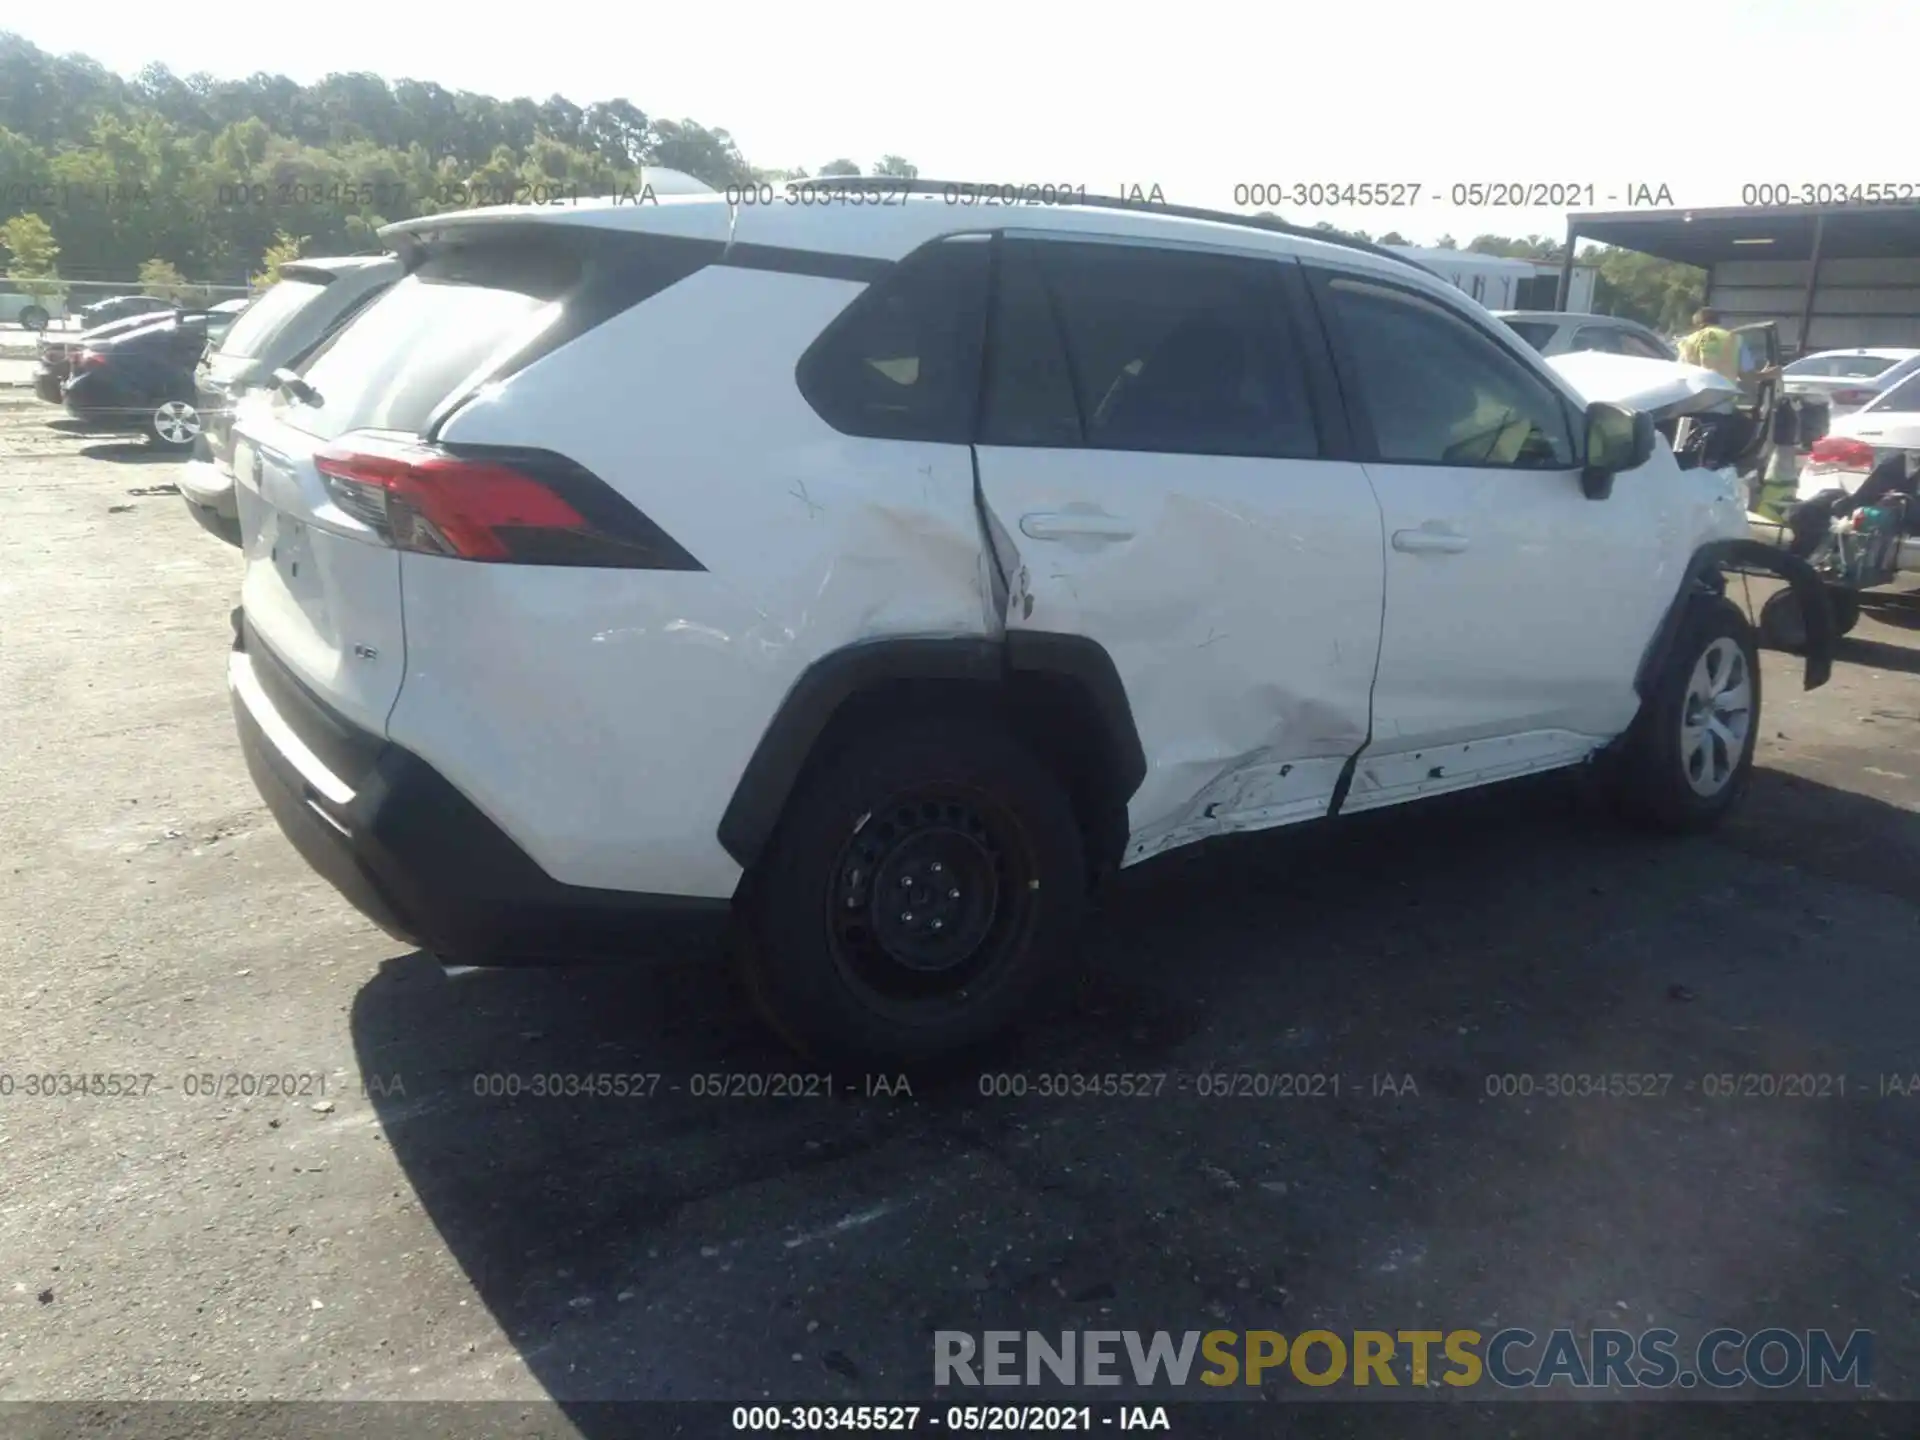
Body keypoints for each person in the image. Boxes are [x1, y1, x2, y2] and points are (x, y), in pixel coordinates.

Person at [1675, 307, 1744, 381]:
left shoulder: (1688, 340)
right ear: (1718, 322)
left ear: (1698, 325)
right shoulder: (1733, 338)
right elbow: (1746, 371)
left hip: (1695, 389)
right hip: (1725, 389)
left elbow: (1680, 370)